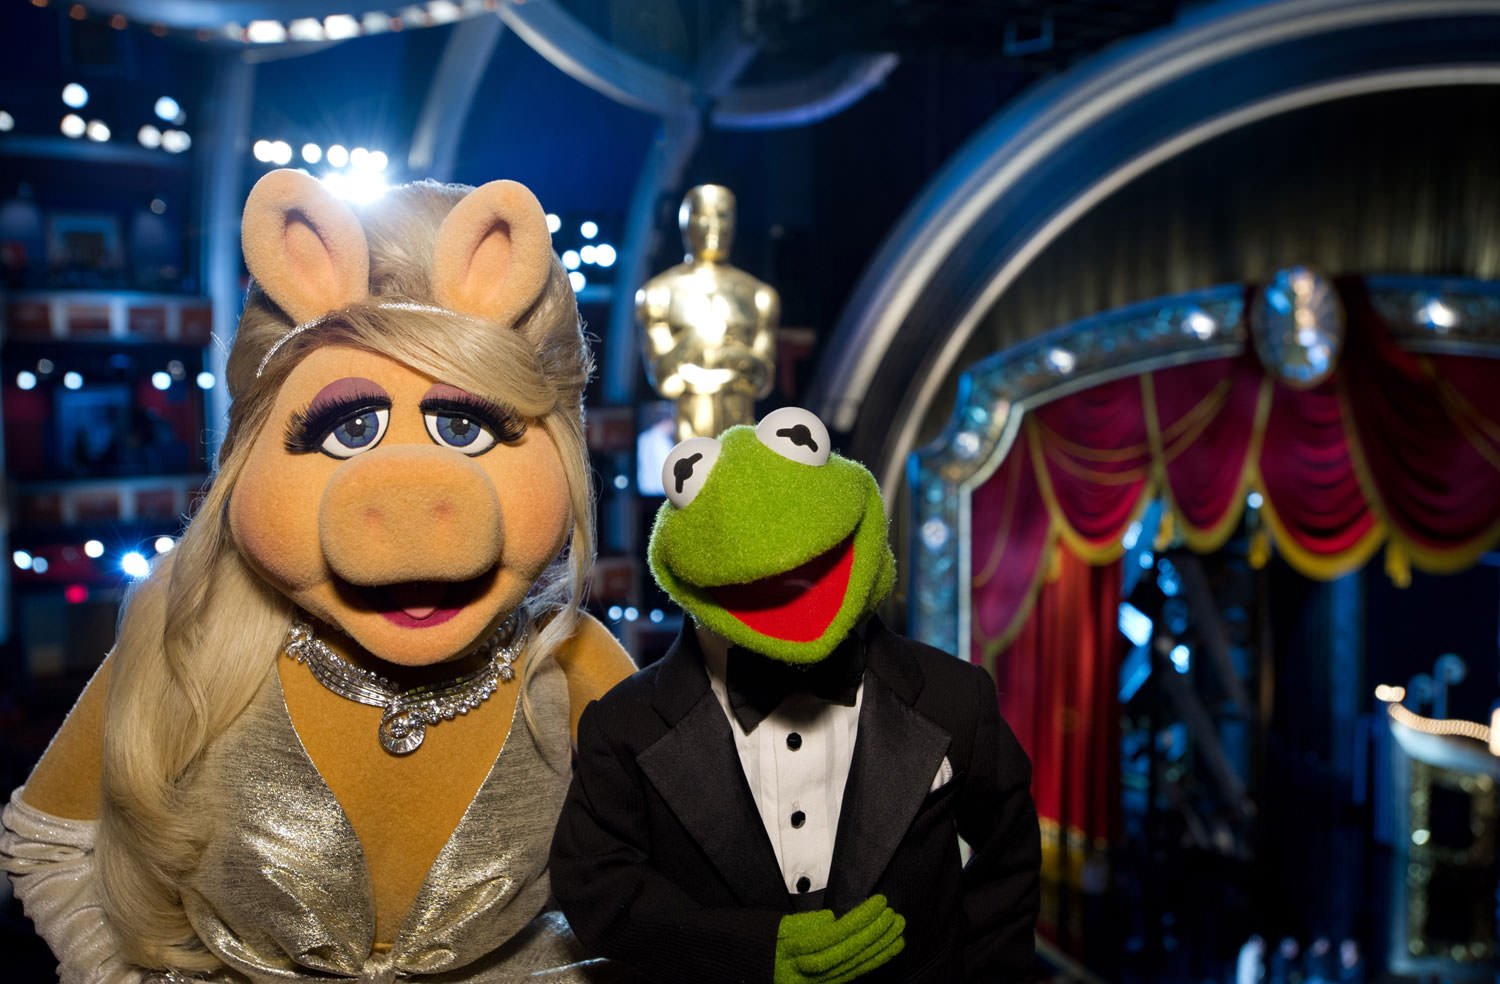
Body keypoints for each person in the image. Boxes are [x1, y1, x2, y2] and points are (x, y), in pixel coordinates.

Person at [1, 170, 634, 981]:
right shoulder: (189, 644)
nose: (409, 498)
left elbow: (692, 861)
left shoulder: (572, 662)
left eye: (465, 425)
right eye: (351, 427)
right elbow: (50, 841)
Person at [552, 407, 1041, 982]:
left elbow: (1008, 857)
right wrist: (751, 952)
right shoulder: (624, 725)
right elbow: (597, 886)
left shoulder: (955, 696)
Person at [635, 184, 779, 443]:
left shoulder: (759, 295)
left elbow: (762, 379)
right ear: (686, 222)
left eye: (723, 216)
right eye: (704, 216)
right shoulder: (659, 293)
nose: (714, 227)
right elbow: (665, 379)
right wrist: (705, 341)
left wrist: (704, 361)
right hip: (687, 438)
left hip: (741, 435)